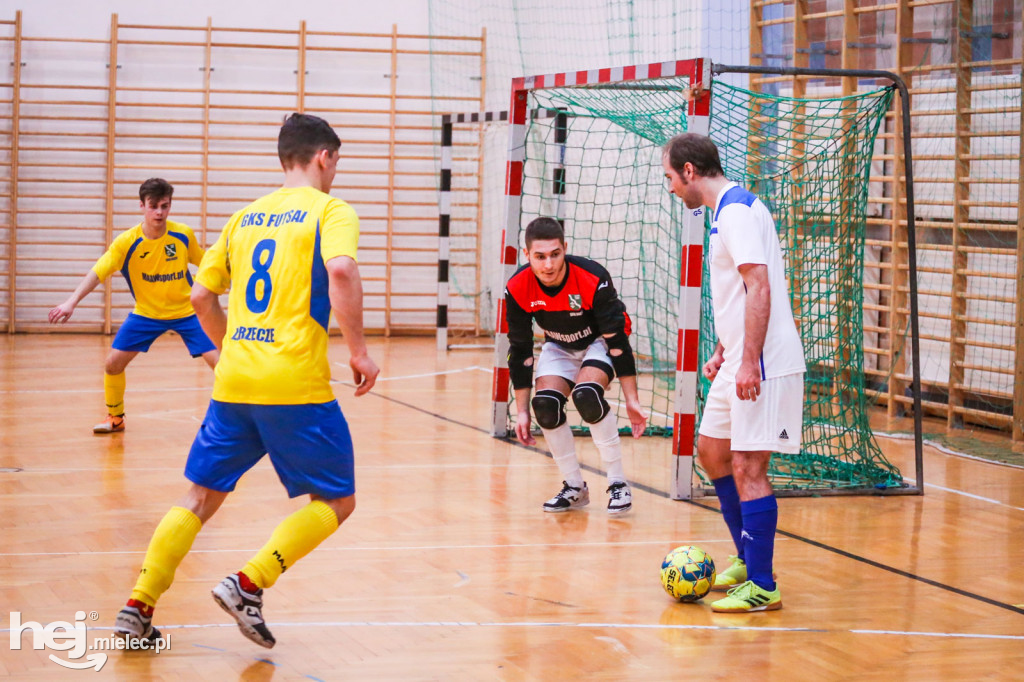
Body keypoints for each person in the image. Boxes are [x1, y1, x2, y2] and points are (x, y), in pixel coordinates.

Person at [111, 113, 379, 649]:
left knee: (199, 496)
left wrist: (233, 345)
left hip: (234, 381)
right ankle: (248, 582)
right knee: (337, 501)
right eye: (337, 162)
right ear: (324, 157)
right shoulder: (331, 210)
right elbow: (343, 271)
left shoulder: (244, 217)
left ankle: (137, 605)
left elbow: (200, 298)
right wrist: (360, 353)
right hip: (295, 383)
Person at [662, 132, 805, 613]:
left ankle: (763, 585)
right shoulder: (726, 212)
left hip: (763, 360)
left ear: (688, 171)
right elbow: (740, 293)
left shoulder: (736, 210)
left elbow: (759, 286)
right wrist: (724, 349)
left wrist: (748, 361)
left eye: (669, 179)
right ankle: (747, 557)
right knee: (713, 451)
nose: (670, 189)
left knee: (748, 466)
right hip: (741, 353)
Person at [48, 178, 218, 434]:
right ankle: (115, 417)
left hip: (187, 313)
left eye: (165, 205)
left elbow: (207, 264)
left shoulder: (182, 235)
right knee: (112, 364)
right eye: (154, 206)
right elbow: (98, 272)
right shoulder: (126, 243)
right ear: (142, 206)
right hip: (147, 314)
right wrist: (71, 301)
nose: (159, 212)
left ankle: (231, 422)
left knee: (221, 364)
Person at [505, 217, 647, 514]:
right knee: (543, 405)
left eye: (555, 254)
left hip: (599, 341)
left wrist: (632, 399)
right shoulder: (518, 287)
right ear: (526, 254)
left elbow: (617, 342)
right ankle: (574, 487)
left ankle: (618, 482)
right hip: (559, 344)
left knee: (587, 396)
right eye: (540, 257)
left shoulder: (592, 277)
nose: (548, 265)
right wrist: (521, 412)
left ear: (565, 249)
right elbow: (520, 352)